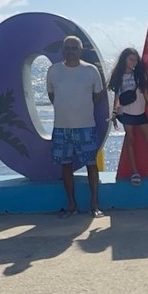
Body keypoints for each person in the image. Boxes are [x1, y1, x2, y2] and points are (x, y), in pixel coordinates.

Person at [48, 35, 106, 216]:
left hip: (86, 127)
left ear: (80, 51)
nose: (70, 51)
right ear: (62, 50)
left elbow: (98, 95)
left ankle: (94, 203)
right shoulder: (53, 70)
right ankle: (71, 204)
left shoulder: (90, 71)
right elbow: (52, 95)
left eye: (74, 48)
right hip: (61, 128)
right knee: (65, 165)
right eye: (67, 48)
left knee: (91, 164)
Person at [107, 47, 148, 185]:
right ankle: (135, 172)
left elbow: (146, 95)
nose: (133, 62)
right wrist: (114, 114)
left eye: (135, 59)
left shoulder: (139, 75)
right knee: (130, 140)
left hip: (140, 112)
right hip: (126, 113)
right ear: (124, 59)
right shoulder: (119, 77)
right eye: (131, 59)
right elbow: (117, 96)